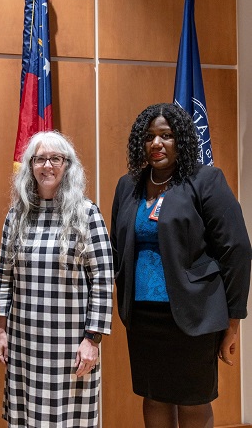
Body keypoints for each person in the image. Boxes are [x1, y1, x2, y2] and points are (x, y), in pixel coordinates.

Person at [111, 103, 251, 428]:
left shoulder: (204, 180)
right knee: (154, 397)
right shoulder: (127, 186)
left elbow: (237, 249)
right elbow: (117, 247)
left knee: (193, 402)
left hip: (194, 316)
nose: (157, 143)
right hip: (144, 317)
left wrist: (233, 321)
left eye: (166, 135)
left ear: (181, 140)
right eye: (149, 137)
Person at [0, 131, 114, 427]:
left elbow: (103, 278)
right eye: (40, 159)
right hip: (25, 344)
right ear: (30, 166)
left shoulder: (86, 214)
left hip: (72, 344)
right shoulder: (16, 215)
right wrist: (1, 330)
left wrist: (92, 339)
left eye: (56, 159)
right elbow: (4, 278)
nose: (47, 166)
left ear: (67, 165)